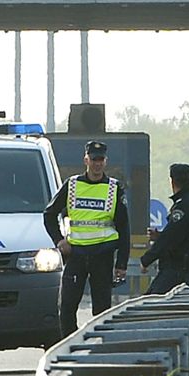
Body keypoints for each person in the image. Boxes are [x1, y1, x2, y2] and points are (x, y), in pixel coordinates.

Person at [42, 140, 131, 336]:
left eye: (101, 160)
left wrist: (121, 264)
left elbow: (124, 228)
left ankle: (99, 345)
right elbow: (49, 214)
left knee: (102, 310)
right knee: (67, 306)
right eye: (93, 159)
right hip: (76, 255)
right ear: (86, 160)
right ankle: (70, 344)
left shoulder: (114, 188)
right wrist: (59, 240)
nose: (97, 164)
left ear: (105, 161)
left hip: (103, 255)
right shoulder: (72, 185)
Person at [141, 162, 189, 294]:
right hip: (188, 270)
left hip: (180, 272)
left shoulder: (184, 206)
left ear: (172, 181)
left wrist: (146, 259)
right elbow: (181, 235)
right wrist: (159, 236)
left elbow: (169, 238)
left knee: (151, 301)